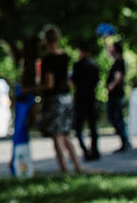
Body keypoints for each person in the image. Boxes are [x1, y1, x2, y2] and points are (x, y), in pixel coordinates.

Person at [36, 25, 81, 174]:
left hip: (55, 99)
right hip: (67, 97)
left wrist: (32, 88)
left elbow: (49, 84)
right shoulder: (64, 57)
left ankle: (64, 169)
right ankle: (77, 166)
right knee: (66, 135)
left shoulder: (48, 60)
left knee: (56, 135)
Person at [70, 38, 101, 162]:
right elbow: (97, 82)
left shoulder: (77, 65)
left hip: (80, 98)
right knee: (93, 126)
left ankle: (85, 150)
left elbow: (72, 81)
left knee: (79, 127)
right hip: (91, 97)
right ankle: (95, 150)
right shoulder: (94, 65)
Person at [105, 39, 132, 152]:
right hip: (117, 94)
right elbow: (107, 52)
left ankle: (125, 141)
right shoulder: (118, 60)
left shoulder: (119, 62)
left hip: (116, 95)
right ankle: (125, 141)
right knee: (117, 118)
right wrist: (104, 39)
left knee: (115, 118)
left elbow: (118, 76)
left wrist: (111, 86)